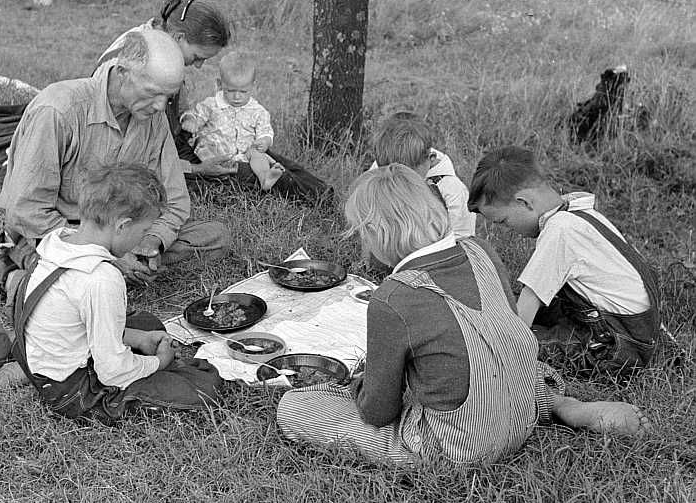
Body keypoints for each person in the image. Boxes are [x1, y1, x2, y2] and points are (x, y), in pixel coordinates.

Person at [276, 165, 650, 466]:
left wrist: (361, 383)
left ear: (377, 232)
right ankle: (563, 405)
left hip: (457, 447)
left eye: (362, 234)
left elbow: (378, 411)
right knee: (496, 357)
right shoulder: (479, 249)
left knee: (296, 408)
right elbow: (501, 332)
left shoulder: (393, 298)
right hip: (520, 412)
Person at [0, 29, 229, 324]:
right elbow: (25, 212)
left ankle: (61, 274)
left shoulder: (153, 117)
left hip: (122, 233)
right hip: (58, 235)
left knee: (215, 236)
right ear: (124, 73)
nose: (159, 106)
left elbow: (176, 200)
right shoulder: (58, 110)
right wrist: (104, 256)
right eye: (153, 93)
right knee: (73, 302)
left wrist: (151, 243)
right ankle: (8, 275)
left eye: (168, 97)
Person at [11, 164, 223, 422]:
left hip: (44, 365)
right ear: (122, 225)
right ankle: (123, 393)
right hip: (71, 391)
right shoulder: (100, 278)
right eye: (145, 231)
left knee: (146, 324)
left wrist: (139, 339)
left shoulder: (59, 242)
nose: (144, 239)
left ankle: (140, 349)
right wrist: (158, 363)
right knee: (203, 386)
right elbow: (113, 372)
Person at [92, 0, 331, 205]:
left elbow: (173, 114)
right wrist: (197, 168)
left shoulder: (161, 41)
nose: (198, 65)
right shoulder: (136, 66)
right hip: (153, 159)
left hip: (173, 142)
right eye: (197, 56)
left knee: (255, 153)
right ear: (179, 37)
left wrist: (195, 124)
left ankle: (323, 192)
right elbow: (137, 159)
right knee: (239, 174)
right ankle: (316, 197)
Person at [467, 146, 661, 377]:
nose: (509, 230)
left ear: (525, 202)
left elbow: (523, 317)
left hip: (615, 347)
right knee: (501, 305)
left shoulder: (561, 230)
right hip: (628, 329)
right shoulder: (580, 214)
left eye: (504, 221)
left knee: (507, 344)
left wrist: (487, 348)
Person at [180, 51, 286, 191]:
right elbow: (197, 114)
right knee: (205, 146)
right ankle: (217, 175)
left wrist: (264, 141)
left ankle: (265, 178)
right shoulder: (212, 105)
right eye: (230, 91)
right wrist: (191, 120)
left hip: (244, 154)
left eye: (243, 92)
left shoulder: (258, 111)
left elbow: (265, 130)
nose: (237, 97)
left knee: (258, 155)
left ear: (253, 86)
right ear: (219, 84)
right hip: (216, 151)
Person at [371, 111, 476, 238]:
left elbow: (463, 240)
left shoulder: (453, 193)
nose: (398, 183)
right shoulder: (384, 164)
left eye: (407, 178)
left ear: (431, 158)